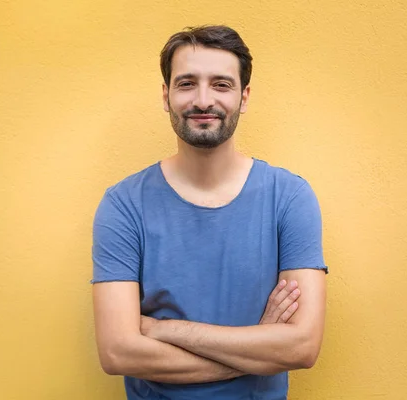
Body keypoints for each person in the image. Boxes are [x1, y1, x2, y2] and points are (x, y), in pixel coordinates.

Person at [91, 25, 328, 400]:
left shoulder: (290, 197)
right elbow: (118, 352)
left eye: (221, 84)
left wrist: (165, 330)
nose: (203, 100)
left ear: (244, 97)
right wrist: (259, 348)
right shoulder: (123, 204)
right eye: (187, 84)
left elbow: (301, 347)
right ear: (166, 96)